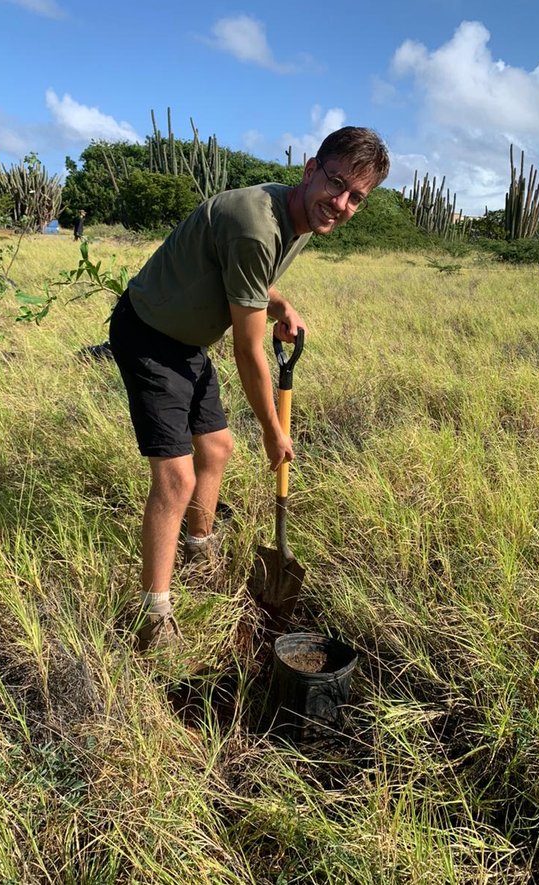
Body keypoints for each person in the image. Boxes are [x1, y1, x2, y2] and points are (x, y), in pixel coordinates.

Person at [108, 126, 390, 651]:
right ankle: (155, 616)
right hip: (149, 335)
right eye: (336, 184)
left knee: (217, 447)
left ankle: (198, 550)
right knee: (176, 477)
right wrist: (273, 430)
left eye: (357, 197)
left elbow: (253, 279)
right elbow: (247, 350)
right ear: (310, 169)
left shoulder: (301, 218)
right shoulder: (256, 224)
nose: (342, 204)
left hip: (188, 343)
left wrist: (281, 304)